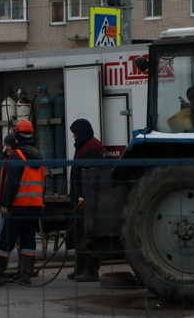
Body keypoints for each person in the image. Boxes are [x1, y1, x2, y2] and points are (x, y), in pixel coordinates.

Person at [0, 119, 46, 286]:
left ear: (16, 134)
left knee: (6, 241)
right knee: (28, 240)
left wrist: (5, 204)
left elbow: (12, 183)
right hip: (34, 205)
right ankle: (25, 275)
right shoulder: (38, 155)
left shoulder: (18, 155)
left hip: (18, 205)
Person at [67, 118, 108, 282]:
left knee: (87, 234)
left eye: (74, 133)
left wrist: (85, 198)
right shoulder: (89, 145)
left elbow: (91, 178)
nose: (73, 136)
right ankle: (80, 268)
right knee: (79, 233)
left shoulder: (89, 148)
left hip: (89, 201)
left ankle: (90, 270)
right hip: (87, 199)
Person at [0, 132, 23, 278]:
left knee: (16, 238)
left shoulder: (16, 159)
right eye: (5, 145)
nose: (6, 148)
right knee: (2, 237)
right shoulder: (5, 158)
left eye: (8, 145)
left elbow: (12, 184)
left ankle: (1, 270)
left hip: (15, 204)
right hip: (8, 204)